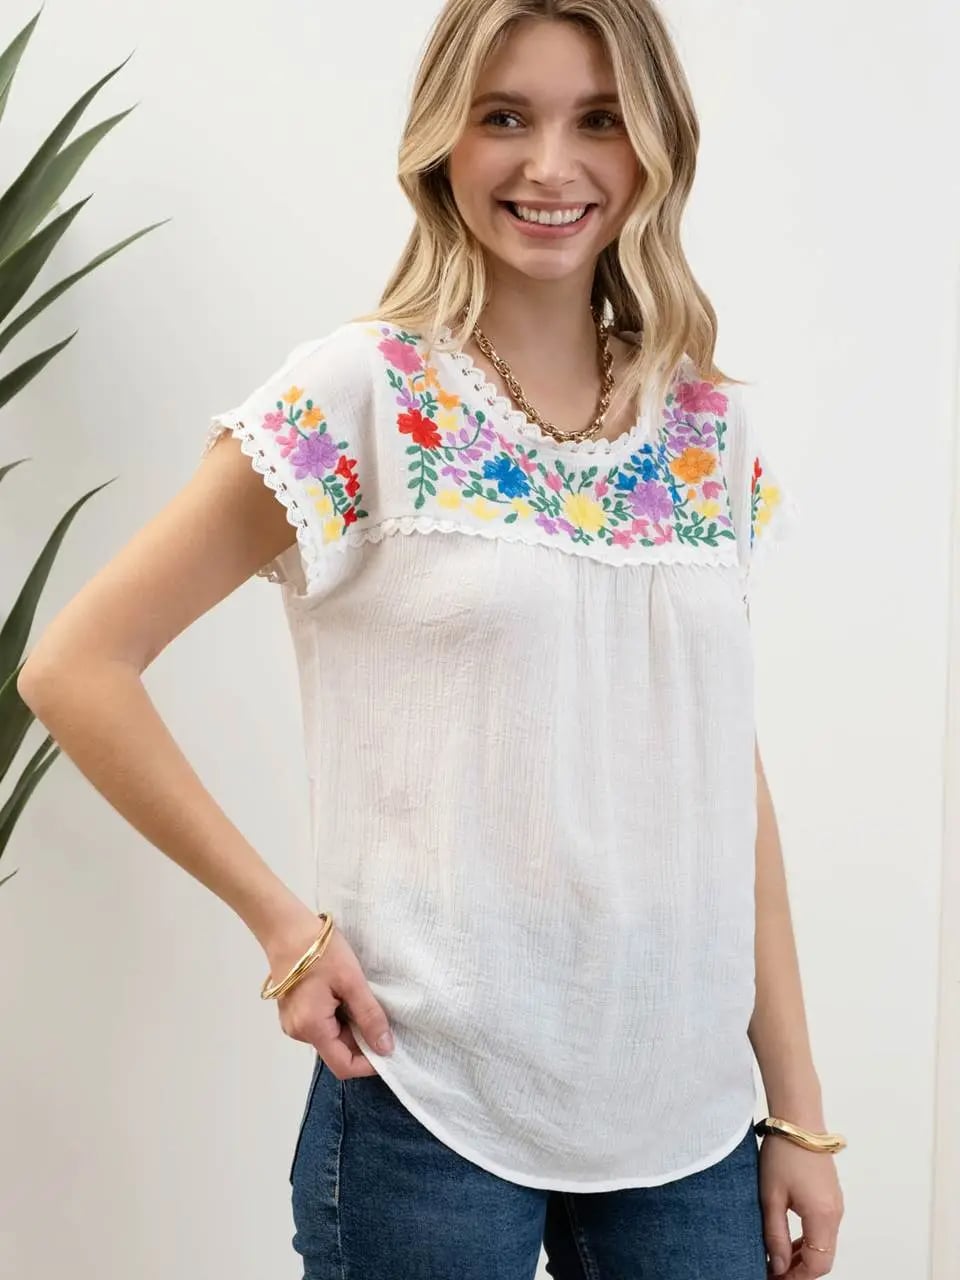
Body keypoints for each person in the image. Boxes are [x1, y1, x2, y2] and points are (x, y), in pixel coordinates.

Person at [17, 1, 847, 1277]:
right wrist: (284, 930)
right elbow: (75, 664)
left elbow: (719, 772)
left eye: (599, 121)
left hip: (686, 1116)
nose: (551, 166)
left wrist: (796, 1106)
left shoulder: (703, 425)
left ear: (656, 146)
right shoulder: (360, 395)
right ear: (442, 139)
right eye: (506, 116)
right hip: (424, 1092)